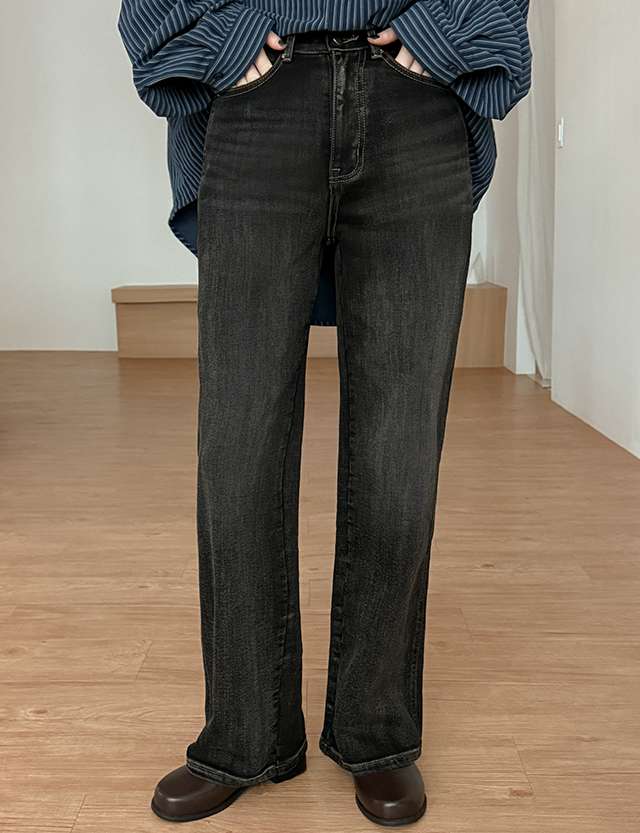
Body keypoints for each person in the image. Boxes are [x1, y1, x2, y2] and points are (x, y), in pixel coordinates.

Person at [118, 1, 531, 826]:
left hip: (416, 108)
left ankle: (377, 733)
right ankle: (244, 734)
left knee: (399, 460)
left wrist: (443, 33)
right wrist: (226, 42)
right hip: (260, 103)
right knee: (238, 453)